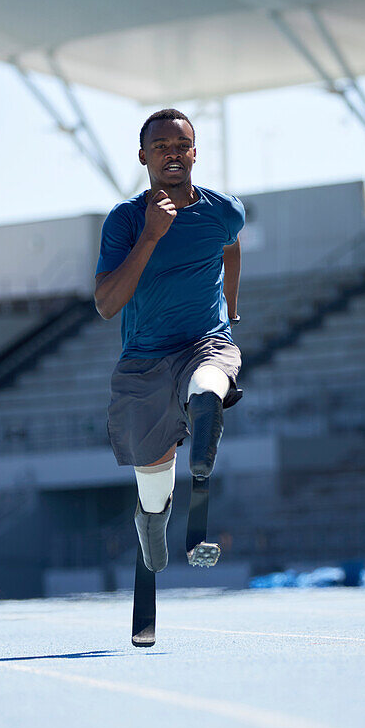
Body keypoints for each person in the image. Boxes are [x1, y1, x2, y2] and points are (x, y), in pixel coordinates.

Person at [95, 108, 244, 574]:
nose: (173, 154)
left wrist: (232, 307)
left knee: (208, 383)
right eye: (161, 147)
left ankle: (202, 450)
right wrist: (152, 236)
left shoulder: (223, 209)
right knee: (154, 485)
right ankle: (152, 523)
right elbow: (106, 303)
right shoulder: (125, 221)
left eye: (181, 145)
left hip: (204, 341)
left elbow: (231, 244)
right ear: (144, 156)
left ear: (195, 153)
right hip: (145, 363)